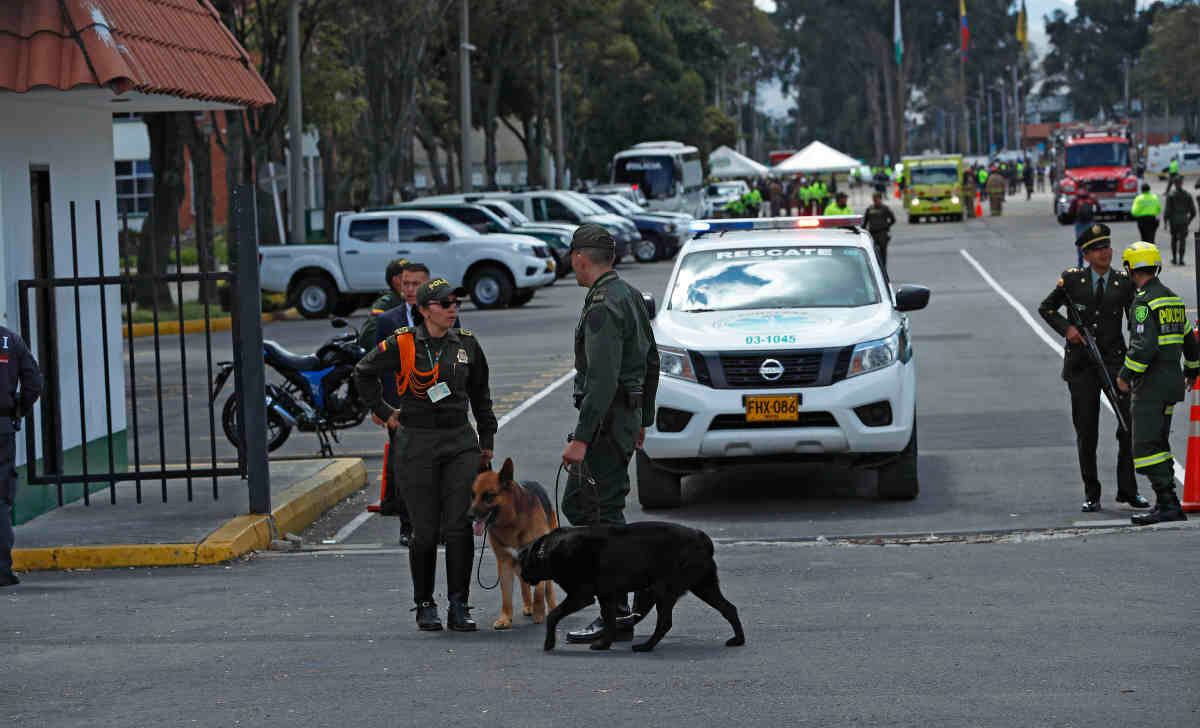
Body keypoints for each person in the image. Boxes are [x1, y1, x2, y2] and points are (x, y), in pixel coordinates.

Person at [354, 279, 498, 631]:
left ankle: (459, 604)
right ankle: (424, 603)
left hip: (459, 441)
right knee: (425, 528)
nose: (453, 308)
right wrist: (386, 412)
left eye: (456, 302)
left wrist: (487, 438)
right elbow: (363, 372)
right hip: (416, 440)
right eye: (444, 303)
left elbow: (481, 395)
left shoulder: (466, 345)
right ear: (423, 309)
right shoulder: (403, 342)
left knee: (460, 524)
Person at [560, 223, 659, 644]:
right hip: (623, 420)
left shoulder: (602, 306)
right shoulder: (631, 296)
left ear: (580, 258)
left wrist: (581, 438)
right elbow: (653, 360)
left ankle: (616, 607)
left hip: (604, 423)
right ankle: (624, 600)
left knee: (592, 512)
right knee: (604, 509)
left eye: (572, 257)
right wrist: (643, 420)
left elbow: (600, 382)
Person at [1038, 225, 1146, 513]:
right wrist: (1067, 329)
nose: (1105, 252)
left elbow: (1136, 321)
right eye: (1098, 248)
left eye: (1108, 246)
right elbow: (1046, 308)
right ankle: (1092, 493)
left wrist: (1137, 358)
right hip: (1081, 366)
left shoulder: (1124, 282)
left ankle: (1129, 490)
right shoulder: (1072, 281)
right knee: (1087, 431)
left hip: (1115, 361)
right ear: (1086, 254)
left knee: (1128, 427)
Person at [1116, 241, 1200, 525]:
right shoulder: (1174, 300)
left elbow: (1144, 346)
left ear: (1130, 268)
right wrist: (1191, 371)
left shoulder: (1144, 302)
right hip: (1172, 384)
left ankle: (1167, 502)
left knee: (1144, 445)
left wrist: (1125, 375)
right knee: (1160, 441)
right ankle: (1166, 503)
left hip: (1151, 386)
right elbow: (1191, 341)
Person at [0, 327, 42, 587]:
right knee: (0, 502)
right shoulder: (10, 339)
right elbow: (33, 384)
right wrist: (18, 410)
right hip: (1, 430)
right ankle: (1, 571)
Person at [358, 257, 410, 349]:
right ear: (396, 280)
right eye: (408, 275)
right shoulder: (385, 304)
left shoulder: (415, 301)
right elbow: (368, 337)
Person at [1163, 176, 1196, 266]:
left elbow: (1167, 210)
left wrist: (1165, 221)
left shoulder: (1171, 195)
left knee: (1174, 239)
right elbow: (1193, 212)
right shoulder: (1187, 195)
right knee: (1182, 240)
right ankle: (1181, 259)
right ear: (1182, 183)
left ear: (1174, 184)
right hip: (1184, 220)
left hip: (1173, 220)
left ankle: (1174, 258)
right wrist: (1188, 221)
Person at [862, 192, 896, 272]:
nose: (875, 200)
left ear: (880, 199)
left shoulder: (885, 208)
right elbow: (865, 222)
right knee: (873, 252)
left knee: (883, 253)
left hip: (882, 233)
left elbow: (893, 219)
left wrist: (886, 226)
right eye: (874, 199)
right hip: (873, 233)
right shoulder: (869, 209)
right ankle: (875, 269)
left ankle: (883, 270)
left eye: (877, 198)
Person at [1068, 190, 1098, 268]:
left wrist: (1074, 218)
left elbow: (1070, 211)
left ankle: (1080, 264)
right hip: (1090, 223)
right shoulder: (1091, 199)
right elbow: (1098, 209)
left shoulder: (1076, 200)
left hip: (1079, 223)